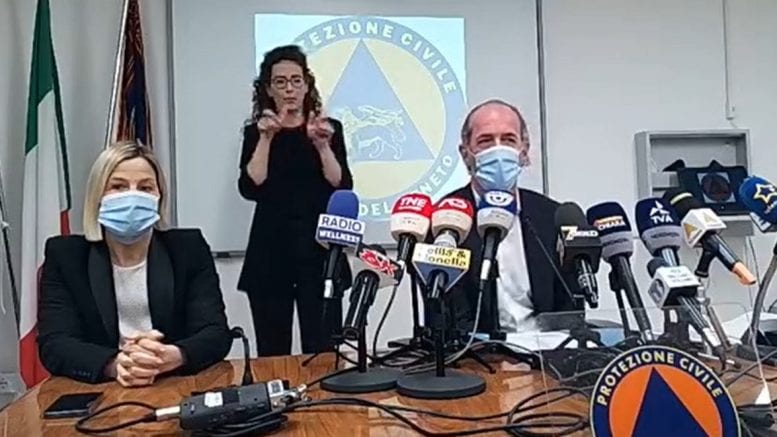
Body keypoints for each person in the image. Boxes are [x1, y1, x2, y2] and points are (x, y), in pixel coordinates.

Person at [37, 142, 231, 386]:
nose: (132, 196)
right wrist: (116, 364)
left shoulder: (187, 249)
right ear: (97, 196)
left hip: (174, 385)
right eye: (118, 186)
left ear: (159, 197)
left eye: (145, 188)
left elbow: (215, 332)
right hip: (102, 390)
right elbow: (55, 344)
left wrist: (171, 356)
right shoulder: (66, 256)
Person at [238, 45, 353, 357]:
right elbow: (250, 186)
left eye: (296, 80)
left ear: (306, 85)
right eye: (280, 82)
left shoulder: (328, 129)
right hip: (270, 254)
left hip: (319, 253)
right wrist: (266, 138)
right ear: (268, 89)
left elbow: (341, 184)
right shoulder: (256, 133)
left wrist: (322, 146)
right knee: (273, 352)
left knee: (324, 352)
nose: (289, 89)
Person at [441, 99, 577, 334]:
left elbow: (568, 308)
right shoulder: (444, 219)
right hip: (475, 352)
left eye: (508, 140)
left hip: (548, 348)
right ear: (465, 154)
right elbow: (445, 316)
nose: (498, 150)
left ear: (524, 151)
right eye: (485, 141)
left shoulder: (552, 216)